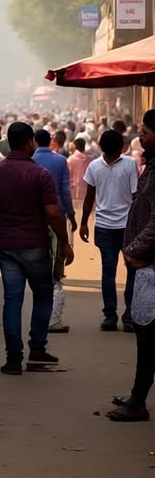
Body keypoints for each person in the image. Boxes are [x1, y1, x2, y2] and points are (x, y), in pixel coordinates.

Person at [0, 121, 74, 375]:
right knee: (42, 296)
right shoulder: (40, 175)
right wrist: (64, 242)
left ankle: (13, 360)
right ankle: (37, 349)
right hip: (34, 245)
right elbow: (53, 213)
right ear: (30, 141)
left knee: (12, 301)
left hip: (6, 246)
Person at [107, 111, 155, 421]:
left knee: (147, 335)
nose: (141, 136)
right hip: (145, 261)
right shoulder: (149, 166)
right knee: (145, 333)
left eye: (146, 131)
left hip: (148, 262)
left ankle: (138, 401)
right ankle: (138, 396)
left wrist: (134, 250)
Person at [80, 129, 138, 331]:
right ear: (121, 147)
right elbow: (135, 196)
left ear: (101, 146)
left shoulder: (94, 166)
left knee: (108, 272)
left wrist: (84, 223)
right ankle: (129, 315)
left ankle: (110, 317)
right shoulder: (131, 164)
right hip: (127, 227)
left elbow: (89, 197)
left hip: (104, 226)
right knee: (132, 272)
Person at [33, 129, 76, 333]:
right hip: (56, 220)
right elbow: (65, 191)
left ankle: (41, 319)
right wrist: (72, 216)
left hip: (33, 222)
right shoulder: (60, 161)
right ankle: (53, 319)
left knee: (38, 271)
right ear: (49, 141)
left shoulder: (29, 161)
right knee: (56, 272)